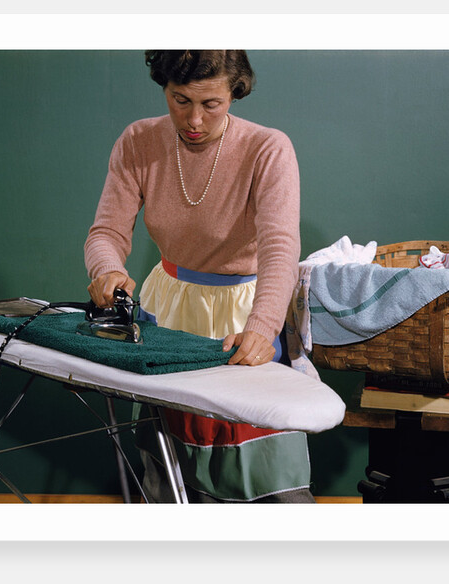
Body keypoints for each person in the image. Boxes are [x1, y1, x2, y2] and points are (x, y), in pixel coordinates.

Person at [84, 50, 314, 503]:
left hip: (244, 310)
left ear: (235, 92)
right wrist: (106, 268)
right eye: (179, 100)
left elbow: (280, 248)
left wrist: (263, 326)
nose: (193, 119)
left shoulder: (267, 148)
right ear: (165, 89)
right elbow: (106, 231)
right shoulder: (138, 140)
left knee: (261, 468)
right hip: (168, 308)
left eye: (211, 104)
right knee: (171, 466)